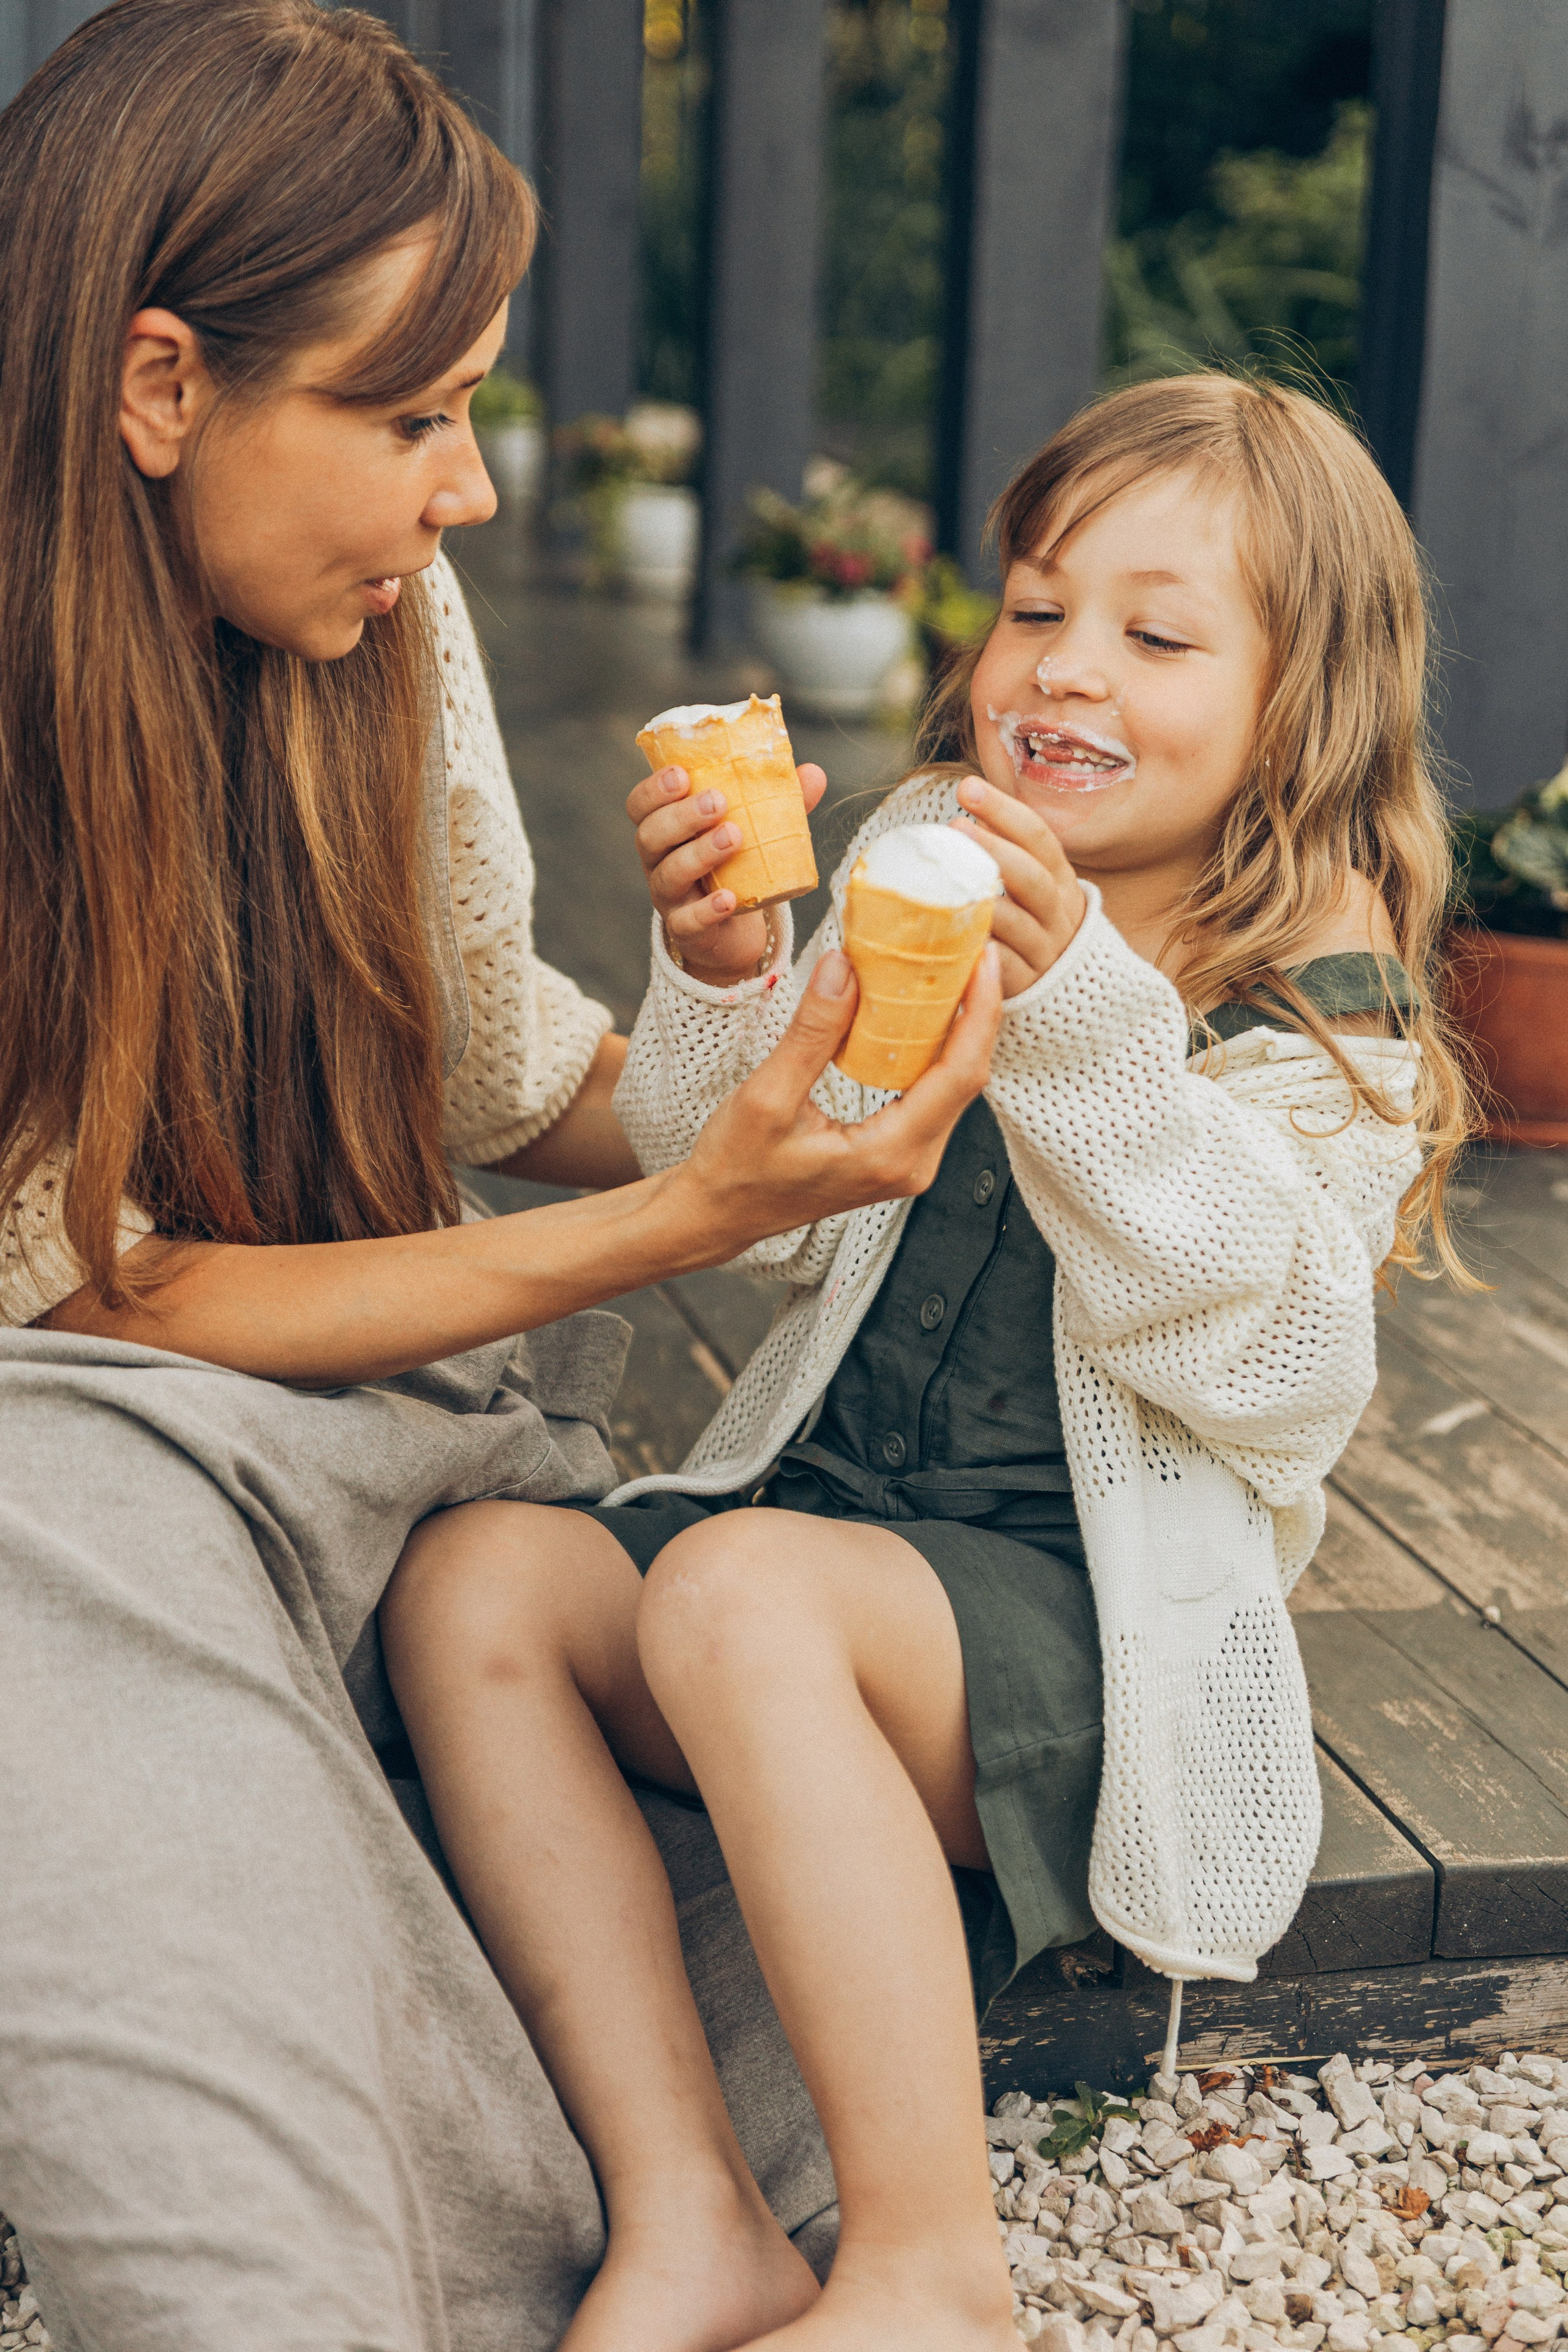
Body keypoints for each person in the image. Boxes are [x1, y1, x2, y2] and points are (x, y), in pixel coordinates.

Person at [0, 5, 1001, 2346]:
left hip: (400, 1456)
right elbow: (88, 1297)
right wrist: (680, 1225)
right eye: (411, 413)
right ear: (158, 388)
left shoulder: (380, 619)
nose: (467, 490)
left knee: (705, 1756)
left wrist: (765, 1042)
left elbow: (497, 1054)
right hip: (83, 1452)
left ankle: (649, 2209)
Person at [380, 374, 1476, 2352]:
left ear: (1304, 702)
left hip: (1077, 1640)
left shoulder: (1327, 1008)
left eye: (1155, 636)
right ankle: (691, 2204)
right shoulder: (923, 850)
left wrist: (1082, 1022)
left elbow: (1284, 1370)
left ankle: (926, 2271)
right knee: (480, 1578)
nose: (1065, 671)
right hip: (812, 1553)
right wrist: (724, 984)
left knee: (733, 1591)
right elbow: (774, 1209)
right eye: (1040, 608)